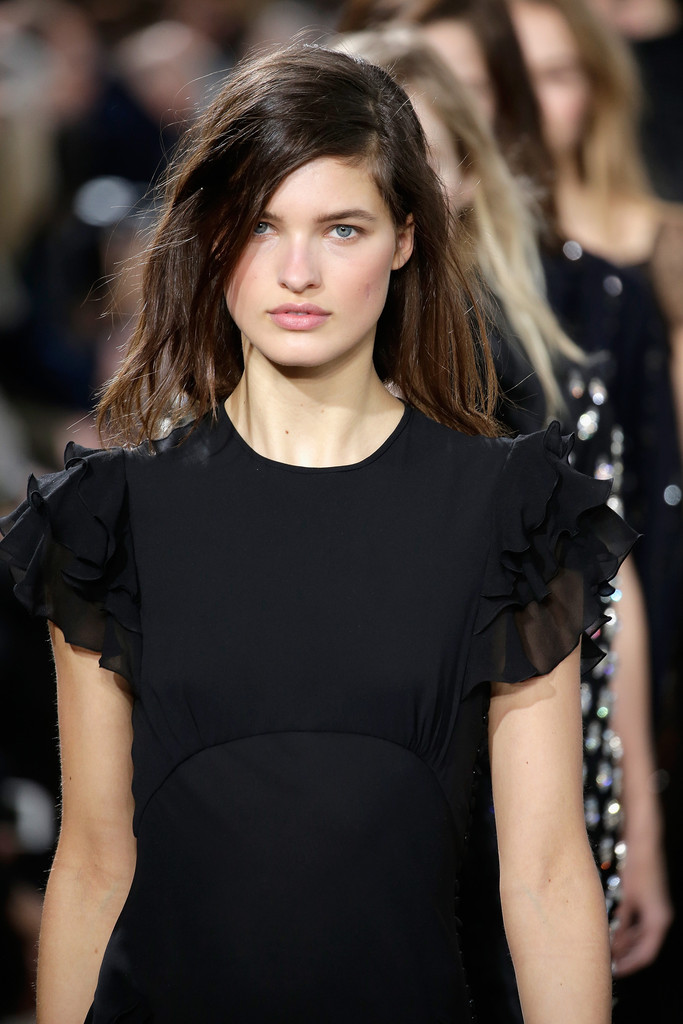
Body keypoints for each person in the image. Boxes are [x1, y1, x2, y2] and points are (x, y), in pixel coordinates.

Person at [0, 43, 632, 1023]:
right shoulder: (111, 517)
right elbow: (91, 859)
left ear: (405, 238)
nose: (296, 272)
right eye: (260, 224)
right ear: (211, 236)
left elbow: (545, 871)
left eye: (341, 228)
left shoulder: (506, 510)